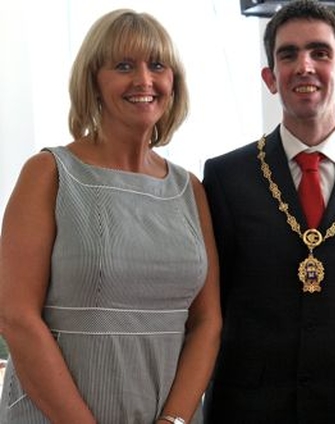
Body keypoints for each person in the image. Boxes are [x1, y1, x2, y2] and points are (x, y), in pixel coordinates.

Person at [0, 9, 221, 424]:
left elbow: (207, 321)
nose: (144, 80)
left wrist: (174, 420)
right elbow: (15, 316)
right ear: (93, 83)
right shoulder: (49, 173)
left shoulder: (190, 188)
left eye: (157, 65)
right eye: (123, 66)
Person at [201, 1, 335, 422]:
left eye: (320, 52)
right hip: (247, 409)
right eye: (288, 54)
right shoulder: (226, 178)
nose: (304, 66)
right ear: (270, 78)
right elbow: (215, 306)